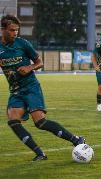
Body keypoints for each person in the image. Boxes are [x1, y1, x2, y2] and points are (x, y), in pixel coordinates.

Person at [0, 15, 85, 161]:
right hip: (15, 91)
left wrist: (29, 67)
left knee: (40, 122)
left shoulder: (23, 44)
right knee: (13, 121)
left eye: (17, 30)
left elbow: (40, 62)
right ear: (2, 30)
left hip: (31, 87)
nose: (15, 33)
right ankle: (40, 153)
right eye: (12, 30)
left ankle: (76, 139)